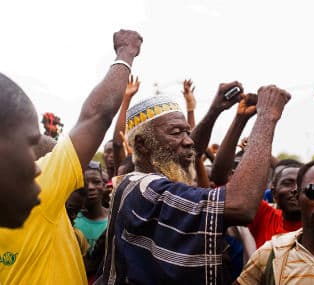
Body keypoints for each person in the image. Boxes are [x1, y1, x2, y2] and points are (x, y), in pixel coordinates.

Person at [97, 84, 291, 285]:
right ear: (142, 144)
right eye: (175, 133)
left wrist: (215, 111)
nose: (188, 141)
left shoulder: (140, 183)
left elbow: (185, 154)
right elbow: (241, 205)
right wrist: (267, 117)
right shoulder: (147, 189)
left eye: (187, 132)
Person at [0, 29, 142, 284]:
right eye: (29, 144)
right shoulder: (43, 190)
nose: (37, 168)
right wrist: (126, 52)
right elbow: (96, 116)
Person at [212, 87, 314, 248]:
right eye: (287, 183)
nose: (294, 189)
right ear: (274, 193)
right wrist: (240, 119)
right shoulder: (264, 217)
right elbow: (221, 178)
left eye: (309, 187)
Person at [74, 161, 108, 254]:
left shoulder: (114, 219)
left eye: (96, 182)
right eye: (85, 183)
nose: (91, 187)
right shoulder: (72, 220)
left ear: (104, 186)